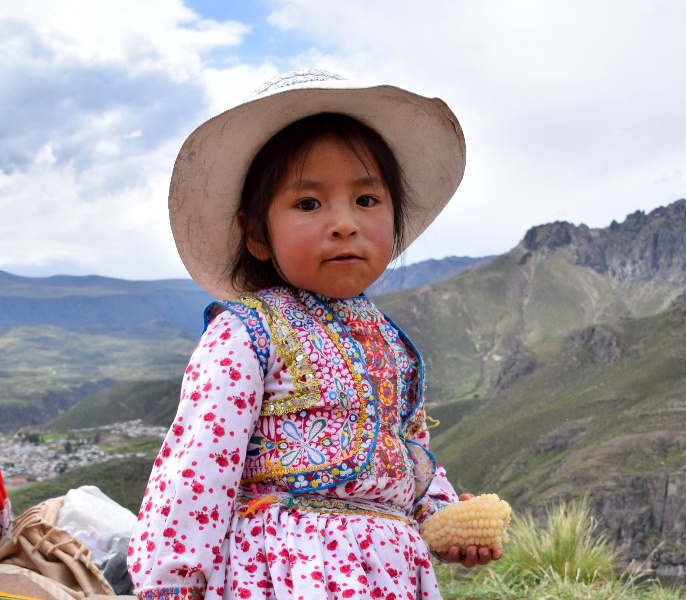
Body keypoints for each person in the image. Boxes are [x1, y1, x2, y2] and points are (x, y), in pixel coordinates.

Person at [127, 70, 499, 600]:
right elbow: (197, 471)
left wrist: (442, 513)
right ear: (257, 233)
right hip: (289, 571)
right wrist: (172, 583)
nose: (344, 222)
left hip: (391, 574)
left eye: (367, 200)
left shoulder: (393, 346)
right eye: (309, 204)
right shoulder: (248, 333)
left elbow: (409, 450)